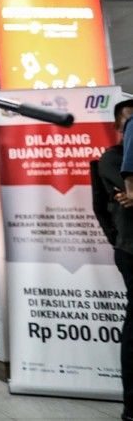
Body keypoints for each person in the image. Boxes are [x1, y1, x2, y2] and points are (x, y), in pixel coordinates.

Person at [95, 98, 133, 421]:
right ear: (118, 126)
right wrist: (116, 239)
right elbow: (104, 205)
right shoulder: (111, 159)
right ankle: (132, 406)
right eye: (129, 122)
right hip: (131, 249)